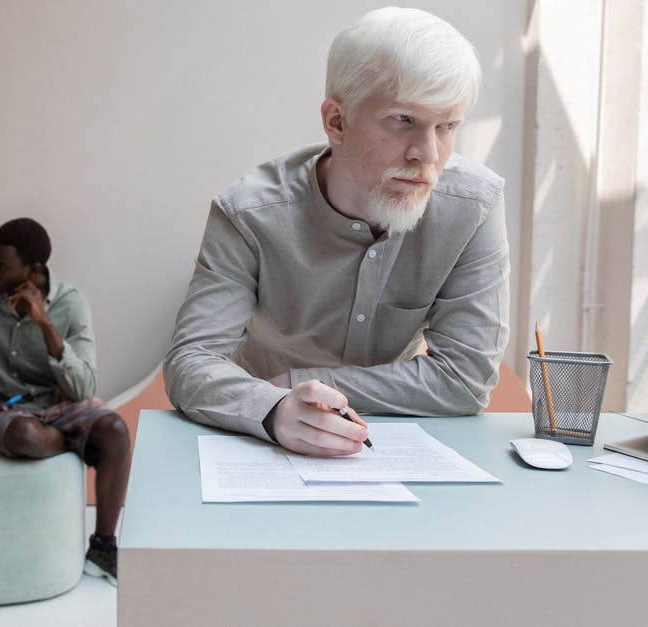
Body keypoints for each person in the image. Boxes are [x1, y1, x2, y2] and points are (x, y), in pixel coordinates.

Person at [163, 7, 510, 458]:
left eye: (447, 126)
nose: (427, 154)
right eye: (403, 119)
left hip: (403, 444)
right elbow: (191, 361)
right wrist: (272, 409)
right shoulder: (249, 213)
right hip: (268, 441)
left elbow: (465, 380)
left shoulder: (474, 207)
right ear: (336, 122)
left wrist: (295, 384)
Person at [0, 217, 131, 586]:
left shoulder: (71, 303)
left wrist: (45, 324)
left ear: (33, 270)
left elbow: (84, 388)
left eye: (1, 266)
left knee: (114, 429)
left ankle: (103, 548)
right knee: (25, 434)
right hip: (4, 413)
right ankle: (75, 446)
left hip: (60, 407)